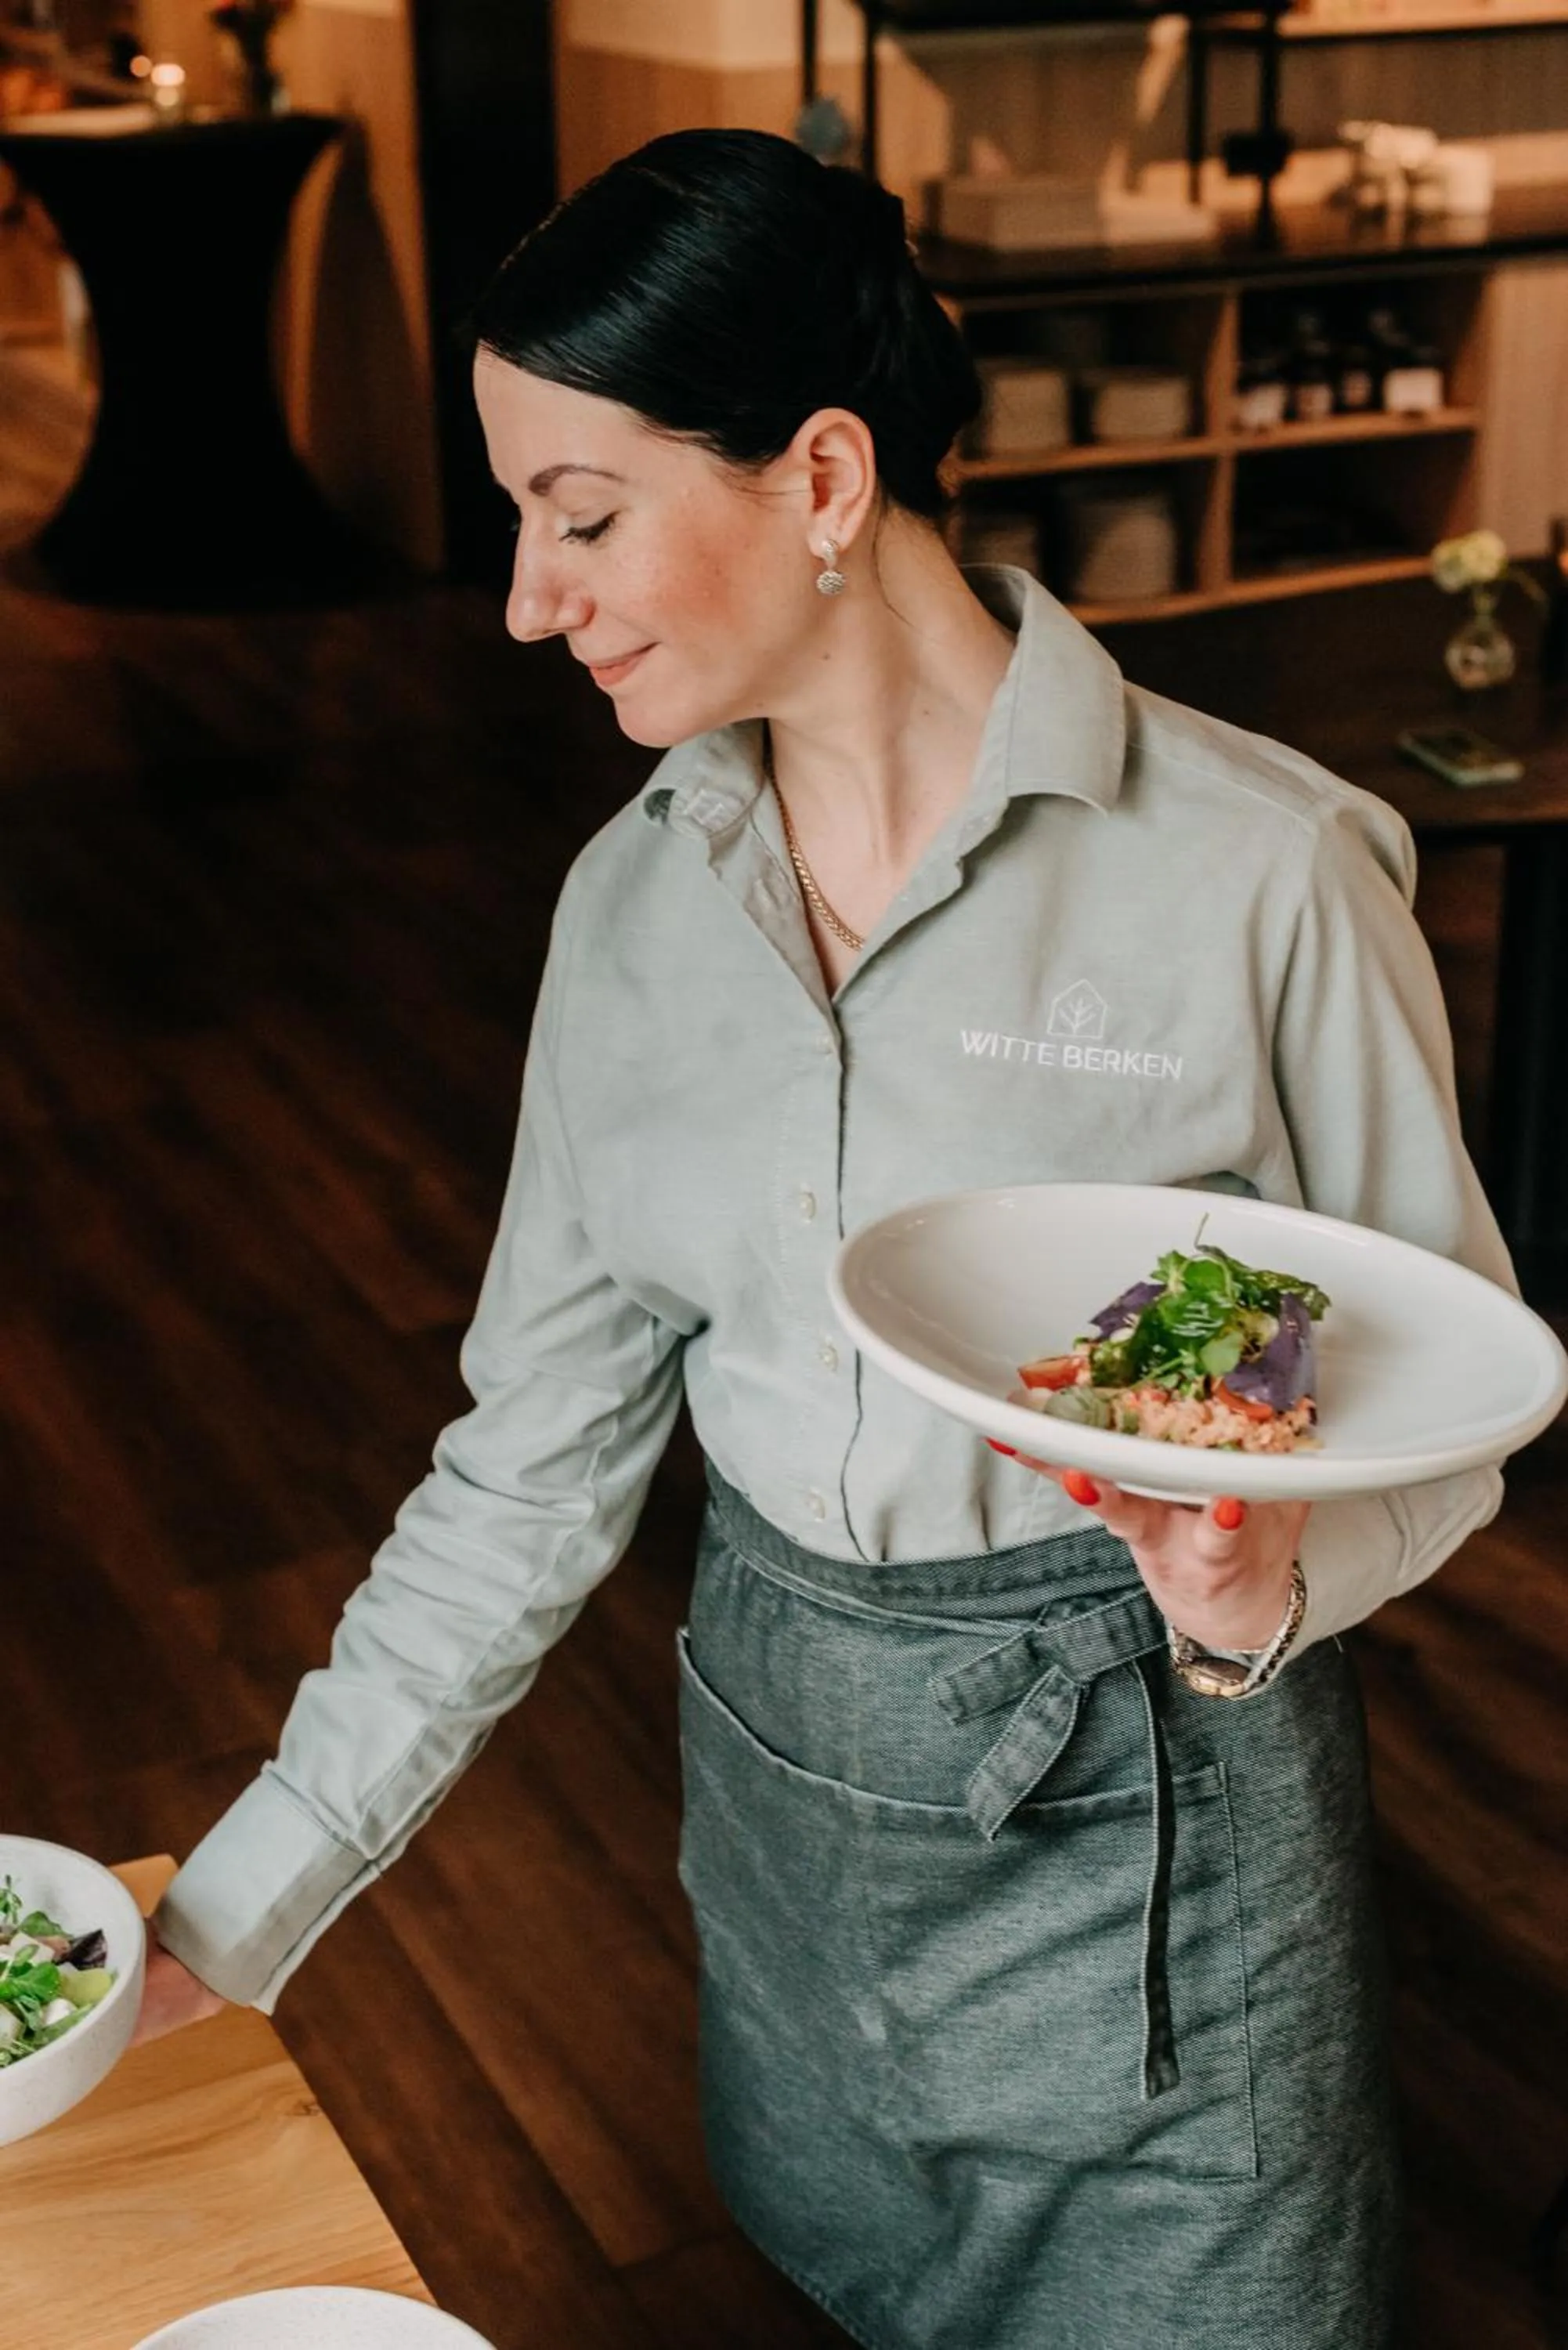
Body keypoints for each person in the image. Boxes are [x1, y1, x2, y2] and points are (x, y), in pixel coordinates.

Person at [138, 129, 1513, 2348]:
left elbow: (1446, 1400)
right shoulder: (625, 915)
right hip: (794, 1849)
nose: (526, 595)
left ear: (829, 480)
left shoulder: (1263, 877)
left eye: (581, 515)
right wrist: (232, 1918)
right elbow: (527, 1471)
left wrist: (1274, 1572)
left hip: (1166, 1830)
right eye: (520, 522)